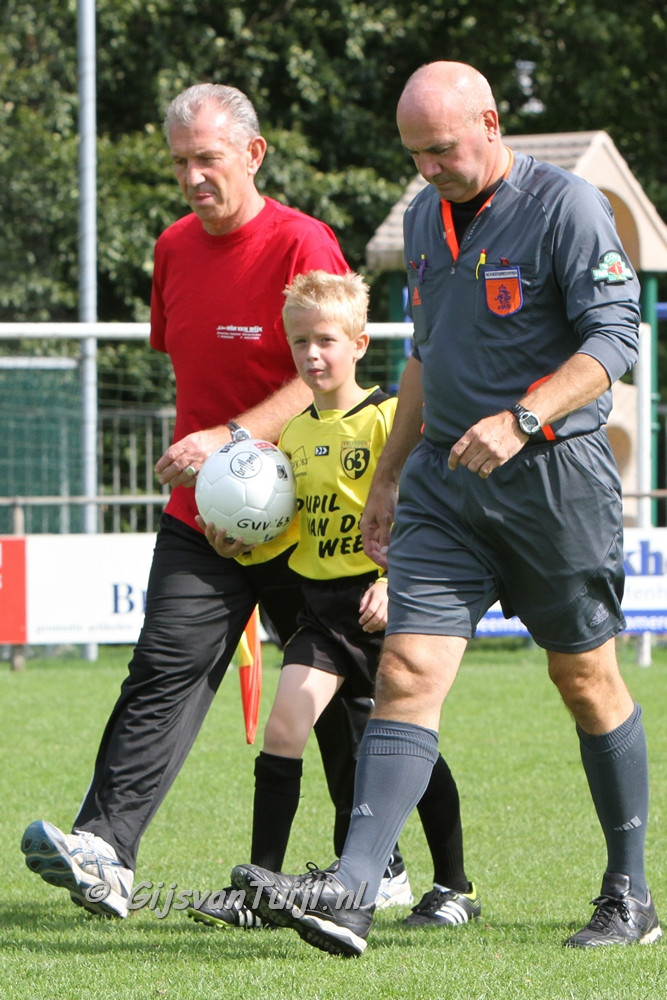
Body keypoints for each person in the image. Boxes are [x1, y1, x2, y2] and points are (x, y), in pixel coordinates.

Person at [230, 61, 662, 956]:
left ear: (491, 124)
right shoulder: (426, 217)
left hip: (553, 481)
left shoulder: (569, 208)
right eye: (414, 154)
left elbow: (615, 339)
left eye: (441, 149)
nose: (428, 169)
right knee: (405, 670)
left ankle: (629, 893)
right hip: (443, 487)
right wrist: (388, 475)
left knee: (583, 679)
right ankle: (353, 888)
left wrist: (524, 418)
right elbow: (424, 355)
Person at [20, 82, 404, 921]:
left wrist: (231, 442)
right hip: (204, 516)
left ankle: (376, 864)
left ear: (253, 154)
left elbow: (319, 380)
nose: (193, 177)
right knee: (163, 668)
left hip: (305, 521)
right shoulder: (171, 247)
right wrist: (222, 481)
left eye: (208, 159)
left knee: (335, 691)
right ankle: (106, 852)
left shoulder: (303, 242)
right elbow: (193, 372)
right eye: (180, 163)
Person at [190, 270, 478, 932]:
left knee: (410, 749)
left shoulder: (388, 420)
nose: (312, 354)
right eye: (300, 342)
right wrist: (239, 544)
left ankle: (454, 887)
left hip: (381, 610)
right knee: (284, 728)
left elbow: (428, 515)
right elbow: (287, 531)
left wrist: (395, 581)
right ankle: (260, 887)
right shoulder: (292, 435)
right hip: (320, 611)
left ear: (358, 343)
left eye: (325, 340)